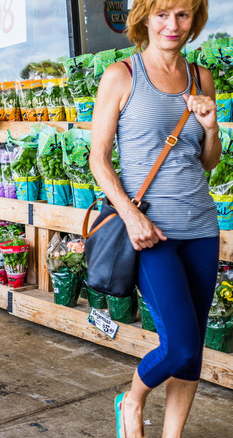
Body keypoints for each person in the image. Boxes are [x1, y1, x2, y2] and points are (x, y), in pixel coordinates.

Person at [89, 1, 219, 437]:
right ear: (145, 17)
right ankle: (133, 399)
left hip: (201, 228)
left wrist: (212, 127)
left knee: (193, 351)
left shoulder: (202, 77)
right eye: (163, 13)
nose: (173, 25)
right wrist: (129, 215)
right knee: (178, 344)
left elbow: (207, 163)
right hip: (149, 233)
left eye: (183, 15)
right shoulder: (122, 75)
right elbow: (99, 160)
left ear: (194, 20)